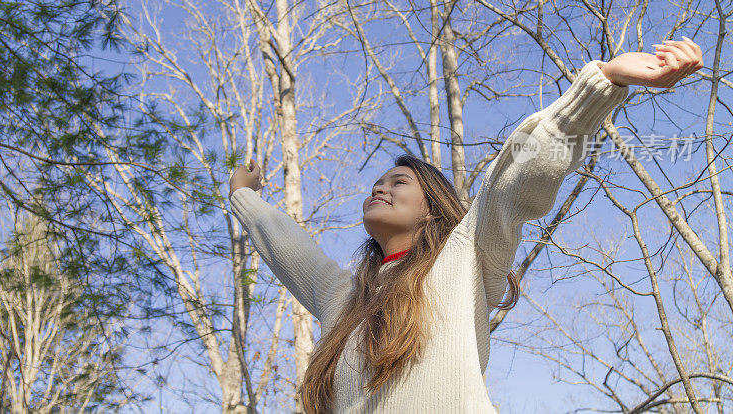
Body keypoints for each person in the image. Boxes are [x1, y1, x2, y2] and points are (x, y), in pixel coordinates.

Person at [228, 39, 703, 413]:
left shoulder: (464, 259)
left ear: (431, 207)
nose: (381, 187)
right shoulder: (344, 299)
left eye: (398, 181)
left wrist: (602, 81)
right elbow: (288, 246)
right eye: (377, 181)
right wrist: (242, 196)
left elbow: (515, 177)